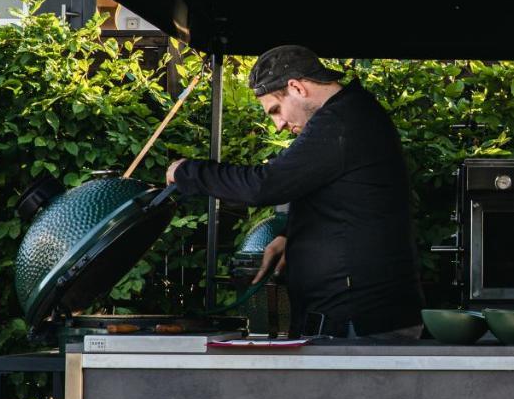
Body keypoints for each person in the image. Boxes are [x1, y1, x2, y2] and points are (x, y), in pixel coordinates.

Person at [167, 46, 424, 339]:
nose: (278, 126)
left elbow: (266, 185)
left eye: (275, 110)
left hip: (361, 321)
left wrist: (187, 172)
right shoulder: (350, 115)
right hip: (351, 316)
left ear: (296, 87)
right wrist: (291, 235)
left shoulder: (341, 121)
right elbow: (344, 198)